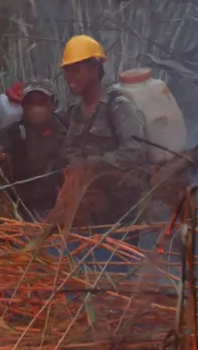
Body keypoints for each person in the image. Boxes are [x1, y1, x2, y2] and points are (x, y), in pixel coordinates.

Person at [56, 35, 150, 230]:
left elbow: (134, 152)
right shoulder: (75, 112)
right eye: (67, 71)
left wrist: (93, 164)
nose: (69, 78)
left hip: (120, 214)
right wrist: (74, 162)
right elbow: (68, 148)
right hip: (89, 209)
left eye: (75, 70)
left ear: (94, 69)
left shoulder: (119, 107)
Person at [0, 78, 67, 221]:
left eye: (41, 102)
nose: (35, 108)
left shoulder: (66, 128)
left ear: (52, 104)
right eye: (30, 103)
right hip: (26, 206)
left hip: (61, 203)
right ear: (24, 106)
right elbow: (0, 144)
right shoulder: (15, 132)